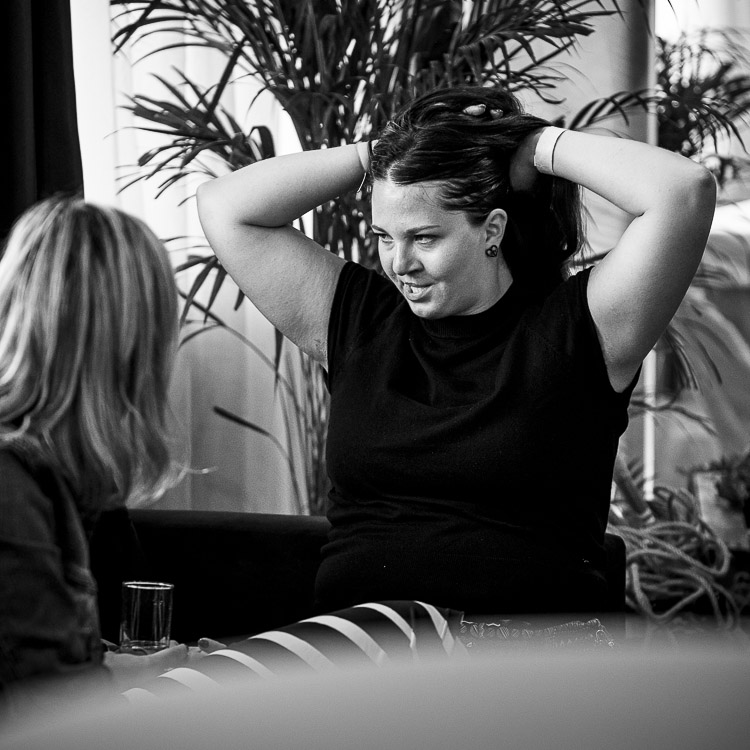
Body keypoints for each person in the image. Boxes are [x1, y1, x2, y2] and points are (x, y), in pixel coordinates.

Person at [196, 85, 716, 636]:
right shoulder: (357, 321)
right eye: (384, 236)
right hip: (358, 649)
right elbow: (225, 207)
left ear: (492, 229)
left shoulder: (582, 330)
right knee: (178, 678)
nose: (400, 264)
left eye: (424, 238)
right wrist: (388, 151)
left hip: (520, 656)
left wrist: (531, 144)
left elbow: (683, 191)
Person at [0, 196, 188, 703]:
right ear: (131, 343)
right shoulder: (11, 486)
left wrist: (118, 666)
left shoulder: (39, 471)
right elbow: (52, 709)